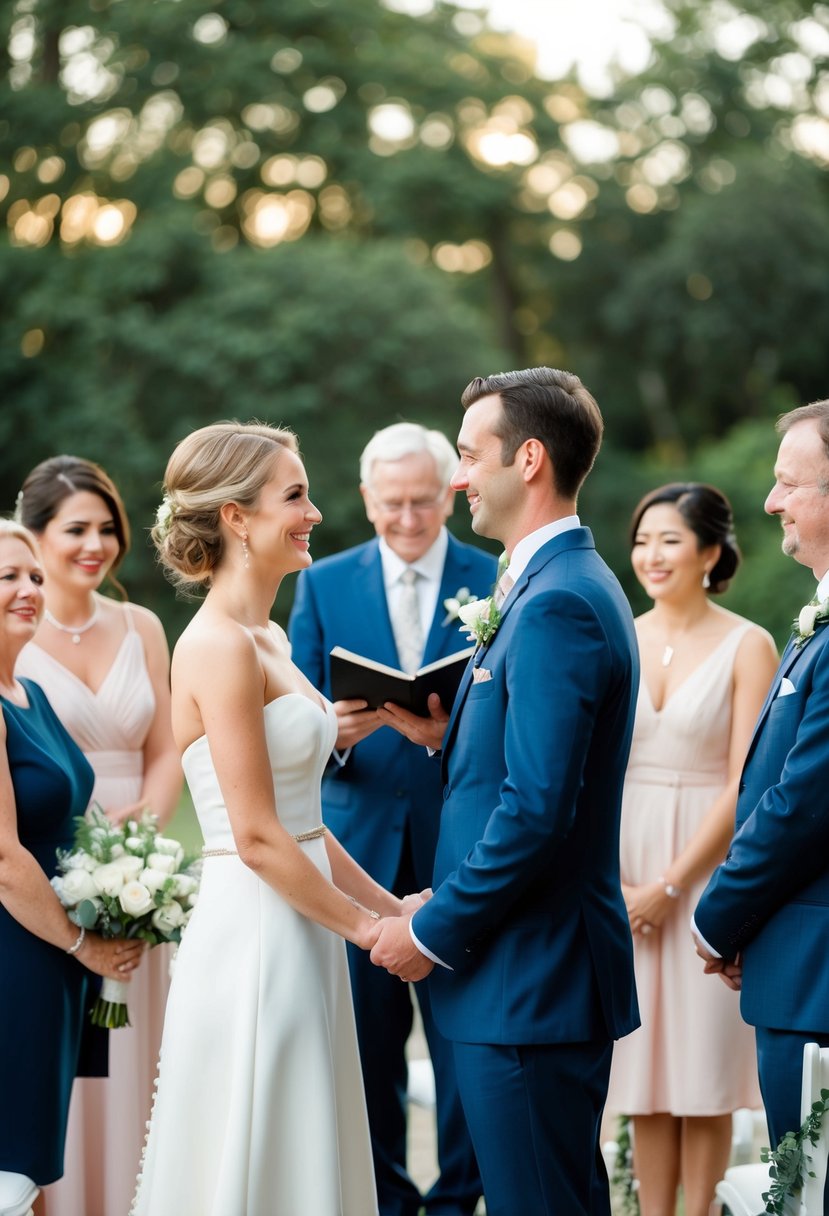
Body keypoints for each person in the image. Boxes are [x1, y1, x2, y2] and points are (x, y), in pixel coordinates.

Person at [370, 367, 641, 1216]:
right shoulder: (543, 584)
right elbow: (532, 775)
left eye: (466, 455)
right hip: (529, 975)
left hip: (531, 982)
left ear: (526, 460)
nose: (456, 479)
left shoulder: (558, 600)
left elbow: (536, 811)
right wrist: (448, 738)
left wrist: (434, 927)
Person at [132, 420, 418, 1216]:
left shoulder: (271, 637)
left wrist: (394, 909)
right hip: (256, 930)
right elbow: (255, 836)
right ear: (234, 517)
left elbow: (305, 823)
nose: (314, 513)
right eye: (294, 496)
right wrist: (368, 936)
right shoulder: (215, 646)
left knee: (306, 1140)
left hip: (301, 915)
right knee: (254, 1140)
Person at [289, 421, 493, 1216]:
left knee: (463, 1040)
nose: (407, 519)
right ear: (367, 499)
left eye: (421, 502)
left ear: (448, 494)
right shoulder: (323, 582)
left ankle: (458, 1198)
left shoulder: (497, 574)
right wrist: (329, 740)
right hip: (358, 840)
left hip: (459, 841)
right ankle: (386, 1199)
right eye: (390, 503)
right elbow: (296, 704)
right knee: (365, 1045)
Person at [15, 455, 182, 1216]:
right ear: (36, 537)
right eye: (75, 529)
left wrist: (142, 829)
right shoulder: (16, 637)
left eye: (107, 528)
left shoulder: (141, 624)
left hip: (135, 866)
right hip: (50, 861)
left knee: (131, 1052)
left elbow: (171, 742)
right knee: (62, 1059)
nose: (95, 544)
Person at [605, 483, 778, 1216]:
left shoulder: (749, 644)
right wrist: (615, 883)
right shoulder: (615, 631)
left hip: (704, 876)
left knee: (703, 1073)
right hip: (618, 870)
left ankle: (702, 1210)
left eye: (668, 540)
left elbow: (747, 783)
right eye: (642, 540)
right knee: (640, 1072)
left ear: (710, 552)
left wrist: (671, 885)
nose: (650, 554)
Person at [694, 400, 829, 1174]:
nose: (771, 501)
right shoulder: (813, 618)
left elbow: (802, 802)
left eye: (789, 483)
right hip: (792, 957)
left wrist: (718, 917)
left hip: (816, 978)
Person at [0, 520, 143, 1216]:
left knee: (24, 1167)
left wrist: (124, 891)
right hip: (15, 956)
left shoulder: (34, 695)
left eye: (32, 576)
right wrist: (85, 945)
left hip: (51, 957)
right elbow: (3, 857)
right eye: (8, 577)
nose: (28, 589)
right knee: (11, 1163)